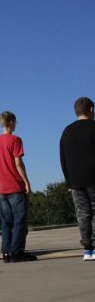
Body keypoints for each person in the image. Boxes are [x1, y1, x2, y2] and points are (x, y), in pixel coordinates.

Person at [0, 111, 37, 263]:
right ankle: (17, 251)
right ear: (10, 122)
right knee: (19, 220)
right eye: (15, 122)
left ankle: (6, 251)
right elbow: (18, 163)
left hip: (3, 187)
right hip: (15, 186)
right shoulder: (15, 140)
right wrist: (26, 181)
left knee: (6, 222)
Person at [60, 97, 95, 261]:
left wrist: (69, 181)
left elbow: (63, 158)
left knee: (83, 213)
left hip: (75, 180)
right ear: (91, 110)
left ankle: (88, 249)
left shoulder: (67, 131)